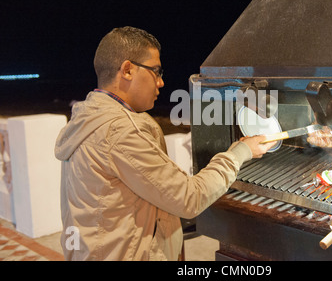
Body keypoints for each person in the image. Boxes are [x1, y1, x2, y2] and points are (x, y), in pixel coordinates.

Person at [54, 26, 275, 261]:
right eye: (155, 71)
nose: (161, 83)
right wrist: (240, 152)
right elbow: (190, 198)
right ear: (127, 70)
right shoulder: (119, 132)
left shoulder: (91, 117)